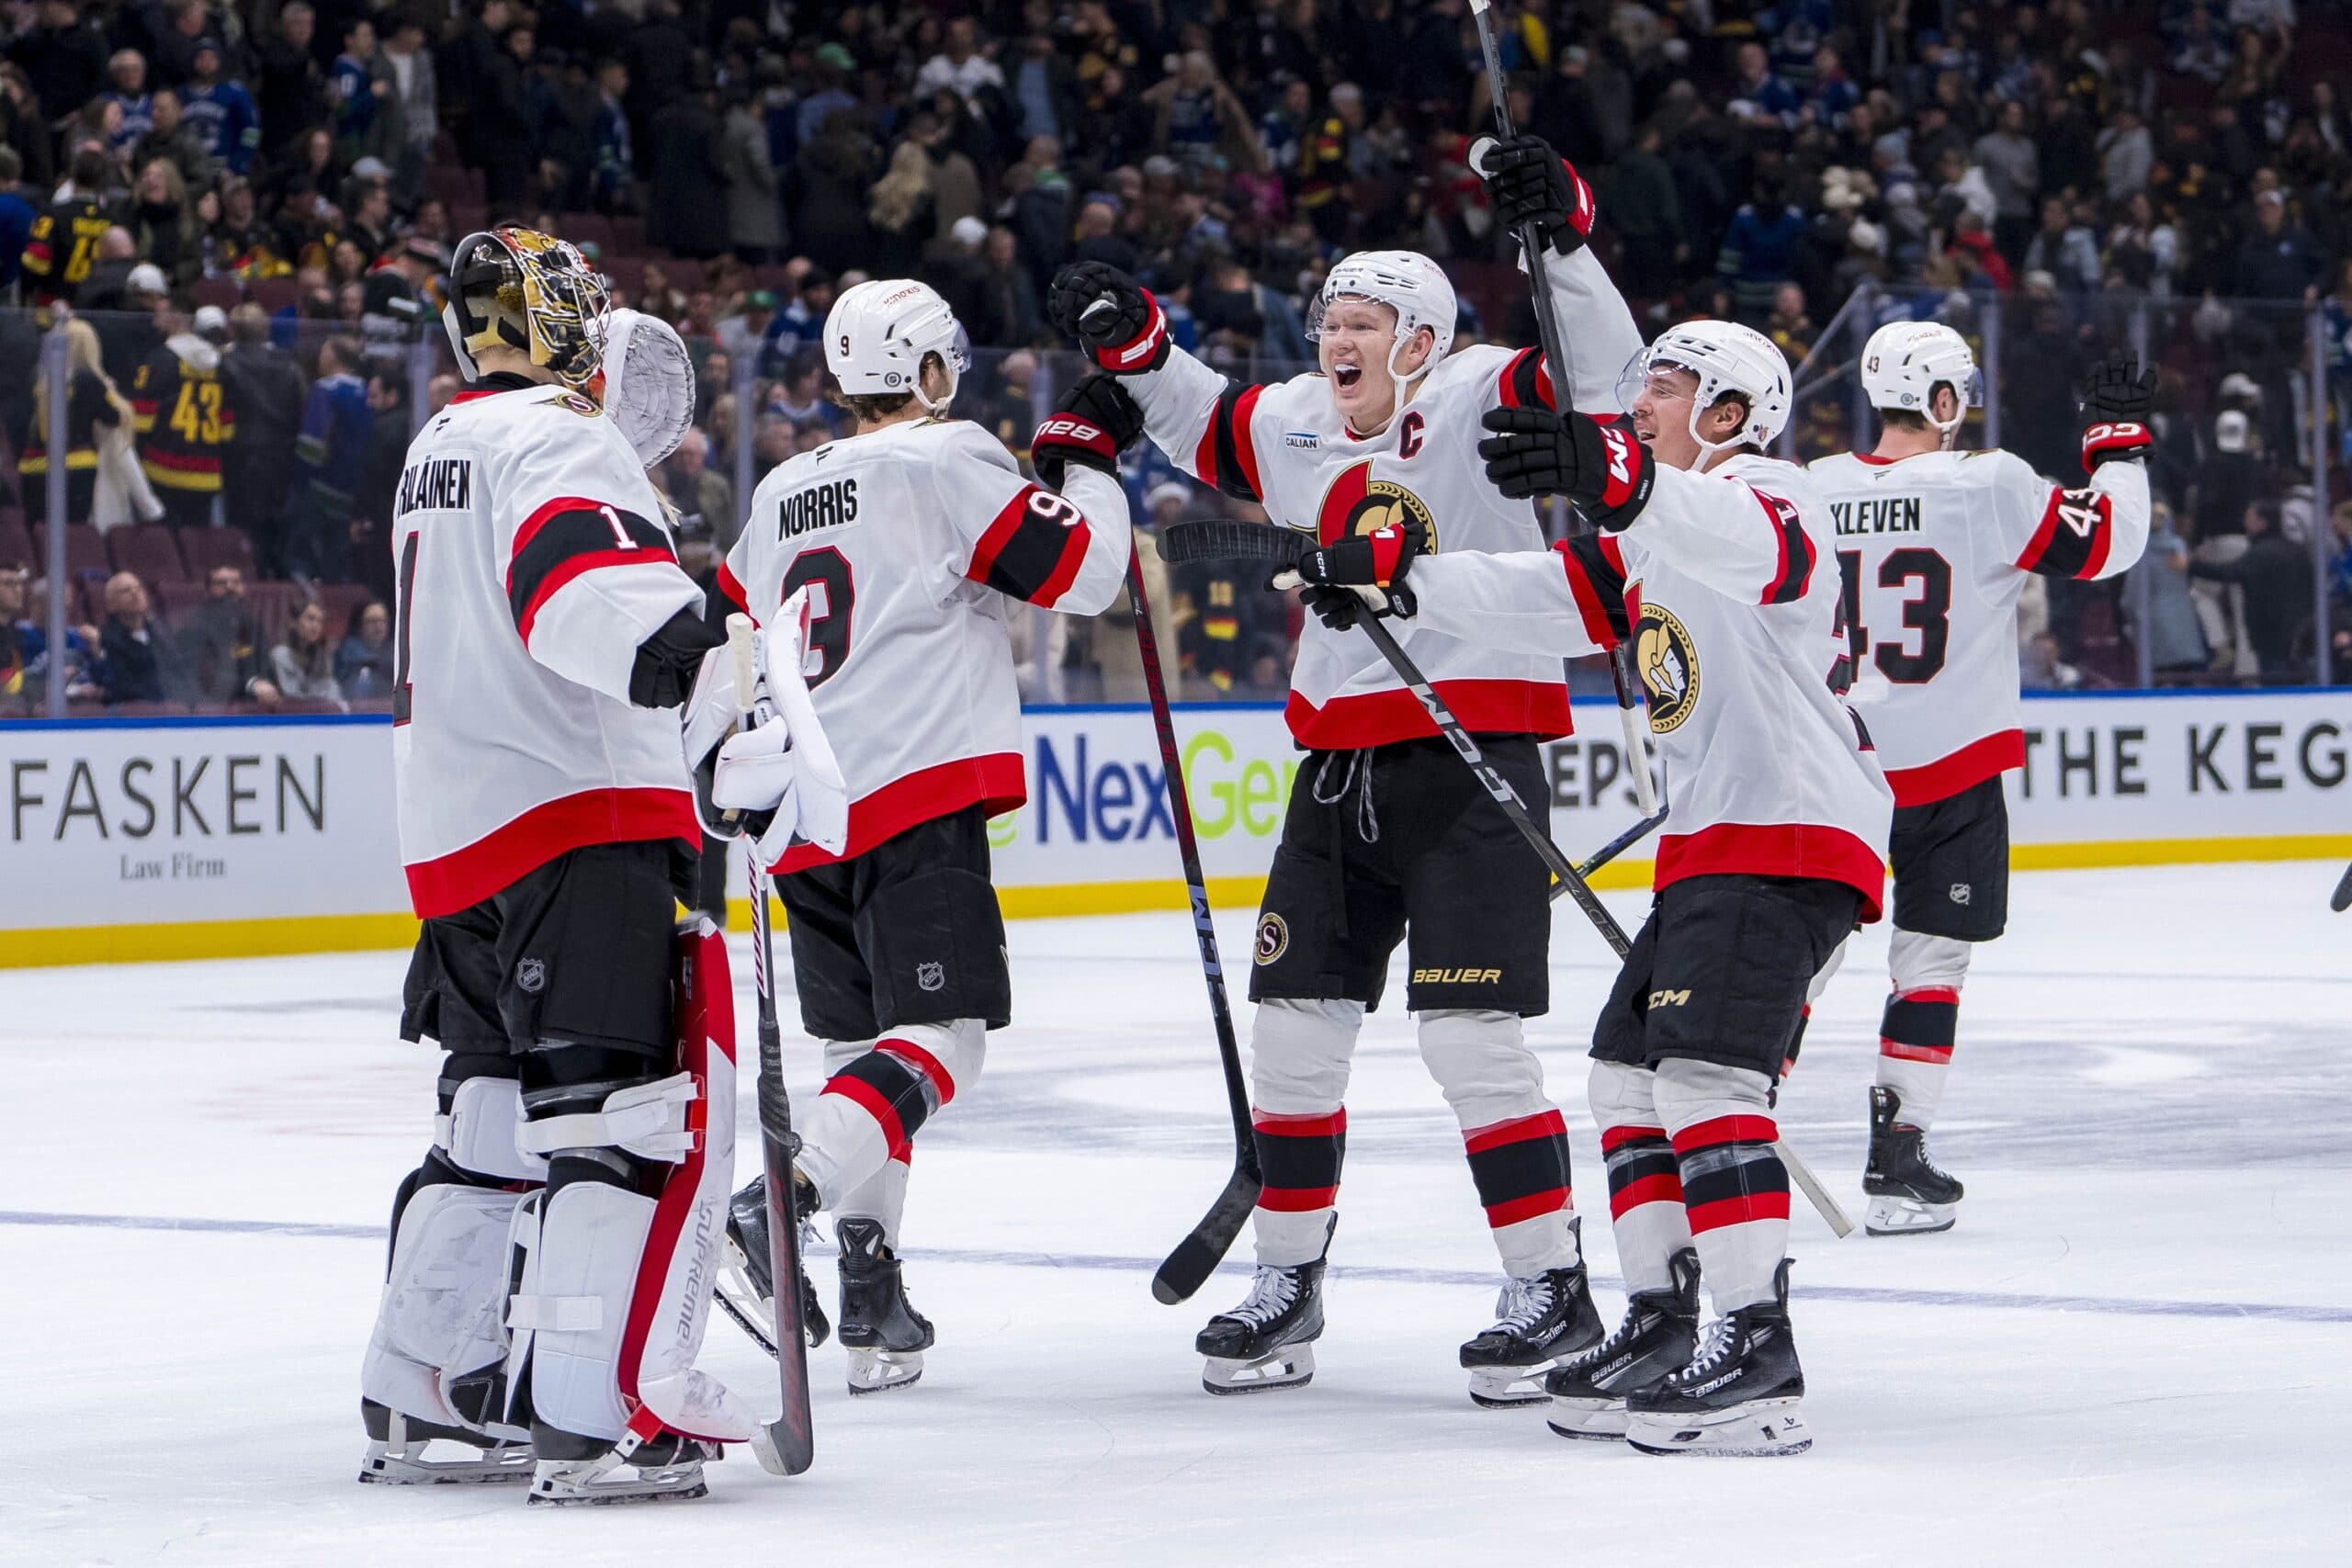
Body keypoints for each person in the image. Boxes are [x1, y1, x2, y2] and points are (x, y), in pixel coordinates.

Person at [1047, 134, 1623, 1405]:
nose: (1335, 343)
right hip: (1334, 769)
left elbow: (1611, 376)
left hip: (1471, 761)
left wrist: (1566, 238)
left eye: (1363, 324)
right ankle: (1290, 1281)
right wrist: (1136, 343)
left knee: (1474, 1041)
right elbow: (1203, 415)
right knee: (1293, 1039)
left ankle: (1551, 1280)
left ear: (1420, 338)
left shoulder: (1482, 391)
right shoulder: (1304, 419)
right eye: (1328, 323)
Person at [1289, 269, 1890, 1459]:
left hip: (1789, 833)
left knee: (1708, 1082)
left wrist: (1619, 477)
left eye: (1663, 391)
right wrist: (1399, 580)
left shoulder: (1773, 492)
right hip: (1715, 842)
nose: (1640, 405)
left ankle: (1758, 1341)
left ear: (1725, 414)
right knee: (1626, 1076)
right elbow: (1544, 595)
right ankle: (1664, 1318)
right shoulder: (1654, 534)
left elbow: (1745, 544)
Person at [360, 226, 837, 1505]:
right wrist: (723, 693)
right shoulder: (560, 439)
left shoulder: (438, 447)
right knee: (616, 1117)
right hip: (579, 812)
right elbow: (585, 592)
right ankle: (593, 1411)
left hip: (456, 836)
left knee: (490, 1117)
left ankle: (432, 1376)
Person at [713, 278, 1135, 1395]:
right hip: (912, 792)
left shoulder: (778, 489)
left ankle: (869, 1288)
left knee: (863, 1059)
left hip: (805, 814)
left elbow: (728, 639)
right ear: (934, 372)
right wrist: (1089, 461)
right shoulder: (947, 458)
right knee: (946, 1038)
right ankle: (783, 1193)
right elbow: (1088, 576)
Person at [1810, 322, 2153, 1234]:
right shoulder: (1988, 483)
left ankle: (1724, 1117)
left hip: (1827, 764)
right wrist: (2115, 447)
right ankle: (1899, 1154)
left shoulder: (1807, 487)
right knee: (1930, 963)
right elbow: (2107, 544)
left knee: (1792, 953)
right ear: (1943, 400)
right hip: (1946, 768)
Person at [129, 303, 236, 530]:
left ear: (177, 318)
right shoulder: (222, 365)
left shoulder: (159, 360)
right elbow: (226, 429)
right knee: (198, 552)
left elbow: (141, 422)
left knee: (161, 551)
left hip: (164, 470)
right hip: (206, 474)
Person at [2190, 498, 2317, 682]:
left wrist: (2192, 566)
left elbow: (2230, 572)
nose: (2245, 522)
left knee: (2276, 684)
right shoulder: (2295, 550)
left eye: (2250, 517)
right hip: (2300, 631)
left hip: (2272, 635)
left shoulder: (2262, 553)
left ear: (2262, 521)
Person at [19, 317, 129, 527]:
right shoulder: (87, 379)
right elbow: (113, 418)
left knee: (40, 536)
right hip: (75, 465)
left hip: (33, 467)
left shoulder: (38, 375)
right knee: (72, 533)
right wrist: (109, 392)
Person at [178, 563, 282, 707]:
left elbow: (267, 670)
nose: (230, 587)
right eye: (221, 583)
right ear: (207, 592)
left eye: (236, 582)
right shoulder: (194, 629)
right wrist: (251, 685)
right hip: (214, 714)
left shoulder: (253, 627)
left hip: (257, 714)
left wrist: (265, 686)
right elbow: (209, 678)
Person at [95, 570, 196, 705]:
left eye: (139, 588)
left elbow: (181, 674)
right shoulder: (107, 638)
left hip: (176, 710)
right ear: (111, 605)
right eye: (126, 591)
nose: (135, 593)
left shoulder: (161, 635)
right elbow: (121, 686)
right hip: (137, 714)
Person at [270, 597, 345, 707]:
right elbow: (291, 695)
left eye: (320, 621)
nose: (316, 625)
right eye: (310, 619)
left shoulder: (322, 657)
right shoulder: (281, 654)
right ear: (294, 622)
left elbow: (333, 691)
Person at [334, 597, 393, 698]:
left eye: (383, 620)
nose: (379, 626)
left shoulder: (396, 656)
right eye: (372, 621)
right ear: (359, 625)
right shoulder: (343, 657)